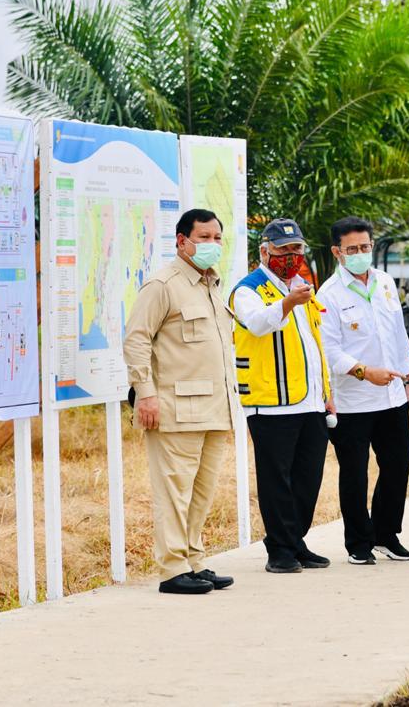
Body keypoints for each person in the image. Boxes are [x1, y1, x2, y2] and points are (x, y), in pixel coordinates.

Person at [123, 208, 239, 595]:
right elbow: (137, 340)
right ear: (182, 241)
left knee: (201, 493)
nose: (211, 245)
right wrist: (146, 393)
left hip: (214, 408)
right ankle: (172, 569)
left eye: (216, 238)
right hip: (174, 408)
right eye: (203, 238)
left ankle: (193, 559)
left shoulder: (211, 284)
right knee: (174, 492)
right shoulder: (163, 284)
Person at [230, 218, 333, 574]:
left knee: (309, 477)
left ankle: (296, 541)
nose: (291, 257)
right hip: (270, 401)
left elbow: (314, 344)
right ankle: (279, 549)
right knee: (277, 480)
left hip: (310, 400)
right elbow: (257, 324)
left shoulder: (303, 287)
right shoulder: (248, 289)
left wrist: (326, 392)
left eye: (296, 249)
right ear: (264, 251)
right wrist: (288, 302)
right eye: (283, 250)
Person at [318, 216, 409, 565]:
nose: (361, 253)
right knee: (355, 472)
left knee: (396, 465)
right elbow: (329, 350)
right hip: (353, 401)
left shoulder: (385, 282)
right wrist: (364, 372)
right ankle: (358, 543)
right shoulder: (328, 295)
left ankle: (386, 534)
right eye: (353, 249)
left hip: (392, 395)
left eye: (366, 247)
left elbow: (399, 336)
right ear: (338, 252)